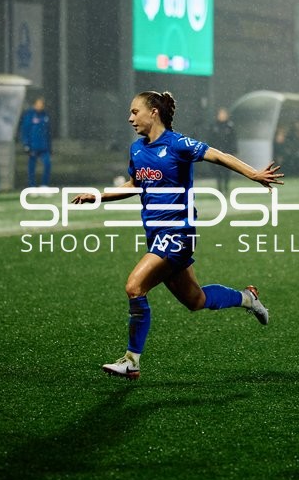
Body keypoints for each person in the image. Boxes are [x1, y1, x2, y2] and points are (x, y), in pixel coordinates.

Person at [71, 91, 284, 380]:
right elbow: (134, 184)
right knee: (195, 300)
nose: (130, 118)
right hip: (155, 233)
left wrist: (254, 174)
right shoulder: (136, 149)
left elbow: (219, 156)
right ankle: (247, 298)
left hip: (178, 232)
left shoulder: (178, 144)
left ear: (154, 112)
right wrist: (99, 196)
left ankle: (132, 360)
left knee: (135, 287)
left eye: (135, 112)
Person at [20, 97, 52, 187]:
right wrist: (26, 144)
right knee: (32, 168)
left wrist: (50, 146)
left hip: (44, 146)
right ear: (35, 104)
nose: (40, 106)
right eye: (39, 104)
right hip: (33, 146)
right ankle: (32, 186)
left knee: (47, 164)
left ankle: (44, 185)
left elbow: (48, 132)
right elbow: (25, 130)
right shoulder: (29, 115)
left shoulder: (45, 115)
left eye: (42, 104)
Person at [208, 107, 236, 194]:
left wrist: (234, 150)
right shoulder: (213, 126)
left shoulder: (230, 126)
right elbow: (210, 139)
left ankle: (226, 187)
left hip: (228, 152)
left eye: (224, 114)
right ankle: (219, 188)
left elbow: (233, 139)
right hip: (216, 152)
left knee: (227, 171)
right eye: (221, 114)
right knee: (218, 171)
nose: (222, 116)